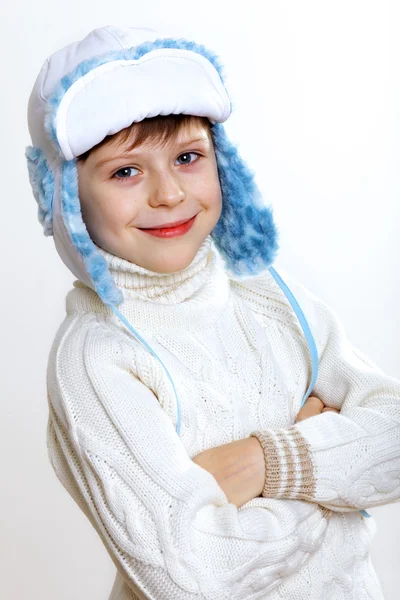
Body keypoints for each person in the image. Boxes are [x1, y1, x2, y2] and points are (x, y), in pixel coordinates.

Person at [25, 25, 399, 600]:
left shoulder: (268, 292)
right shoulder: (99, 359)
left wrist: (265, 462)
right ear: (68, 198)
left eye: (188, 156)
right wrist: (335, 489)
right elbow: (194, 573)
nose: (169, 193)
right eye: (126, 171)